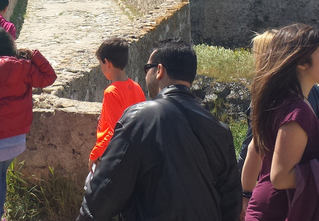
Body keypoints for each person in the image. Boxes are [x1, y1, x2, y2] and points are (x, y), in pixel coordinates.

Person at [77, 39, 240, 221]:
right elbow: (231, 202)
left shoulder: (139, 119)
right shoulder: (220, 130)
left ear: (159, 70)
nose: (146, 75)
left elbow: (103, 194)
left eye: (148, 68)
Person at [242, 24, 319, 221]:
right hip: (278, 212)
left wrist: (246, 193)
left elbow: (255, 149)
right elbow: (280, 177)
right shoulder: (297, 111)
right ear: (302, 63)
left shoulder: (282, 101)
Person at [0, 26, 56, 221]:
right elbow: (49, 77)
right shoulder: (24, 68)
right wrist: (33, 54)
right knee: (0, 179)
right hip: (16, 139)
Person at [88, 37, 145, 173]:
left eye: (101, 64)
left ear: (107, 62)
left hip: (114, 154)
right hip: (135, 153)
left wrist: (94, 154)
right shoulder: (136, 87)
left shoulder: (111, 92)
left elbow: (115, 130)